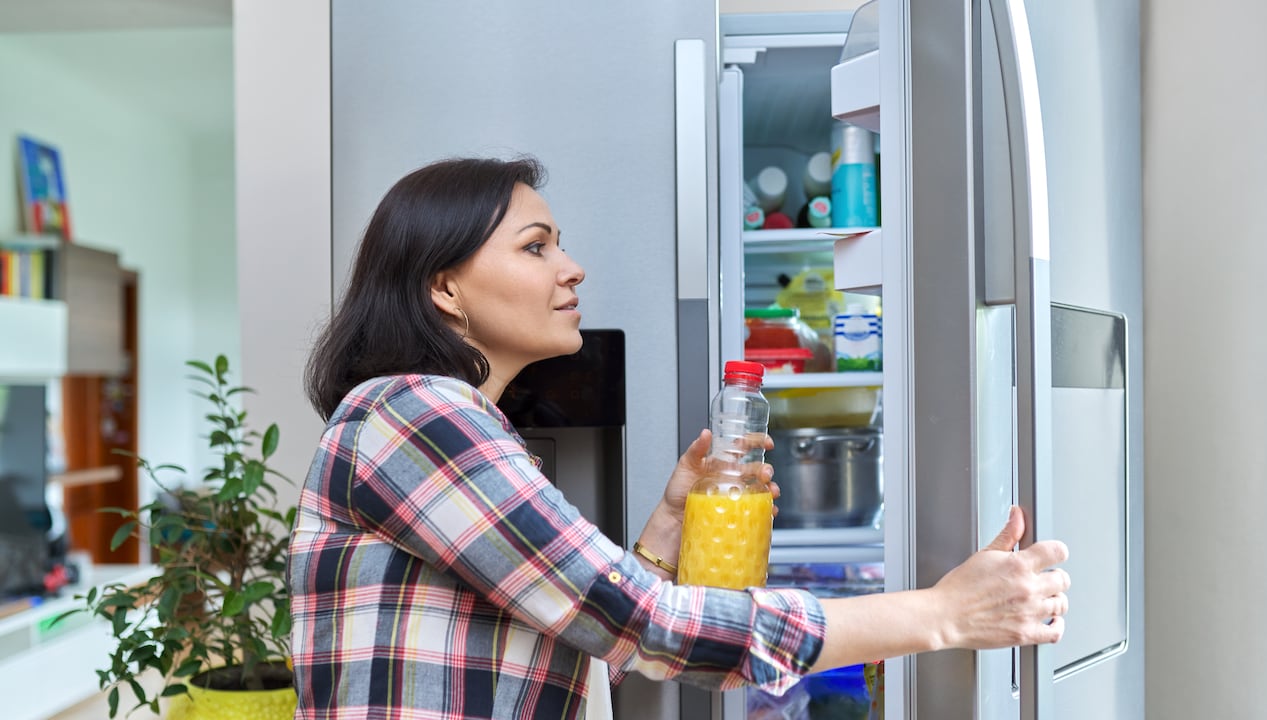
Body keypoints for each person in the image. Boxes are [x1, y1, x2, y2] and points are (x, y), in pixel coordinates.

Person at [288, 156, 1069, 720]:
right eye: (537, 246)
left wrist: (665, 528)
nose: (574, 268)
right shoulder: (416, 414)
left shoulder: (457, 426)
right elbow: (647, 626)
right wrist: (940, 615)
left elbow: (591, 644)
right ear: (443, 286)